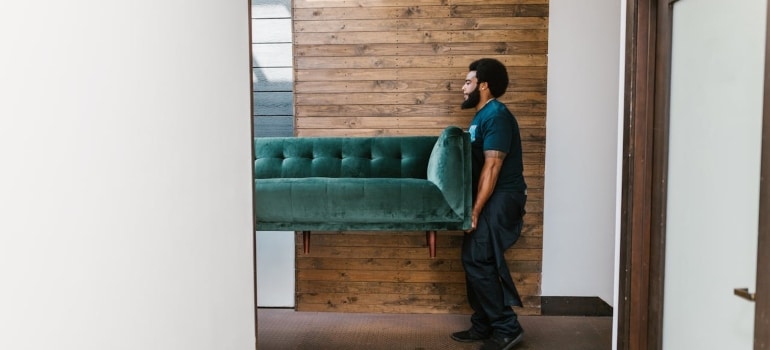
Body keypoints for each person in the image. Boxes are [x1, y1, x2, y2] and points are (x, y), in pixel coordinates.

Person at [451, 58, 527, 350]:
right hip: (490, 197)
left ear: (483, 85)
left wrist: (475, 210)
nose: (463, 87)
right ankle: (483, 325)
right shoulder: (481, 116)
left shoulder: (496, 115)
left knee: (478, 259)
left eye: (468, 82)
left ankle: (507, 328)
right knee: (474, 259)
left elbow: (492, 167)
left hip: (502, 197)